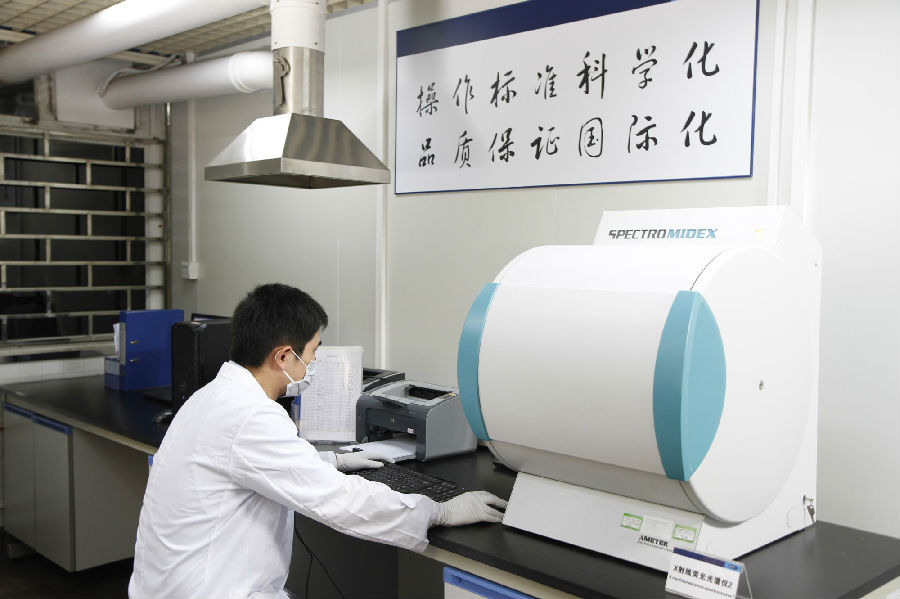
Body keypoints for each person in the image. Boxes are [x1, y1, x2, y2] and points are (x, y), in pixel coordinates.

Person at [128, 283, 506, 599]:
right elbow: (341, 501)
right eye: (312, 352)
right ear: (283, 356)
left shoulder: (213, 396)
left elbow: (254, 463)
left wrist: (333, 460)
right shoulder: (251, 416)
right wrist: (439, 512)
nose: (313, 363)